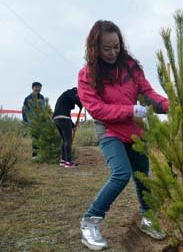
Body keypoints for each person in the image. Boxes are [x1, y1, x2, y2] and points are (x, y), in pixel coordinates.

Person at [77, 20, 169, 250]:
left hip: (135, 130)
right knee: (121, 173)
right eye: (106, 48)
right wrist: (130, 110)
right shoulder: (87, 74)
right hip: (109, 131)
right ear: (95, 48)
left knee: (142, 176)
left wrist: (171, 105)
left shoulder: (130, 66)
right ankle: (90, 222)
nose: (112, 52)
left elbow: (147, 92)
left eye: (116, 46)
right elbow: (96, 109)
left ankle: (148, 219)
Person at [53, 87, 83, 168]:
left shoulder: (64, 98)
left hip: (57, 118)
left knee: (64, 140)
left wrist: (72, 125)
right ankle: (68, 162)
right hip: (63, 118)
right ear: (76, 92)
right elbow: (76, 100)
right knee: (68, 141)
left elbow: (66, 113)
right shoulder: (70, 92)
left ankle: (63, 161)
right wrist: (81, 104)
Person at [22, 81, 45, 158]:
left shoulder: (42, 98)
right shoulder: (28, 98)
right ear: (32, 88)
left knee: (42, 137)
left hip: (41, 121)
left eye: (39, 87)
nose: (38, 89)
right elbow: (24, 111)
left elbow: (44, 109)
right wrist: (26, 121)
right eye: (36, 87)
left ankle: (41, 154)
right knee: (35, 138)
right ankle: (35, 155)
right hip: (32, 121)